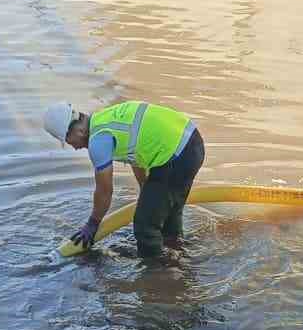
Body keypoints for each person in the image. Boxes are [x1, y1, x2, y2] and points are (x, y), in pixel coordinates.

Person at [43, 99, 206, 257]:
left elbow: (104, 191)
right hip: (191, 142)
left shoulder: (98, 141)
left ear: (77, 131)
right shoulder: (105, 117)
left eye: (70, 142)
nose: (75, 148)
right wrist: (146, 190)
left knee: (145, 227)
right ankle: (176, 252)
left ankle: (157, 274)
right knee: (167, 213)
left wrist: (93, 223)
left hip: (176, 156)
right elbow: (137, 156)